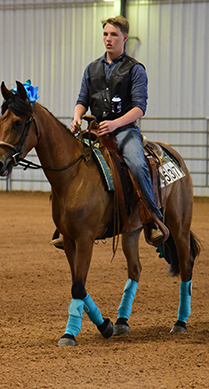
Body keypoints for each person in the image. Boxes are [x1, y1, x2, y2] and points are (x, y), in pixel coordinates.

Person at [64, 15, 169, 247]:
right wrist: (77, 117)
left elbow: (139, 108)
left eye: (113, 34)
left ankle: (152, 218)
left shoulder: (135, 69)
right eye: (105, 34)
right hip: (95, 130)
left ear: (124, 37)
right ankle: (65, 223)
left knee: (136, 162)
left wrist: (115, 124)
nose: (108, 39)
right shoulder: (92, 68)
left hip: (124, 131)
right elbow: (82, 99)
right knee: (70, 162)